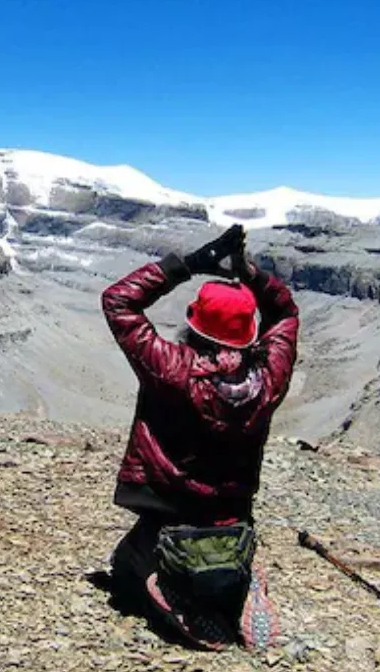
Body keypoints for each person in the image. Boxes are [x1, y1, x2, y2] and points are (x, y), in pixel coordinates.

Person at [100, 224, 299, 650]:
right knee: (219, 540)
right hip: (233, 512)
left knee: (127, 566)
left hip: (170, 506)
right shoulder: (268, 380)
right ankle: (239, 581)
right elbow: (284, 316)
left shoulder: (172, 369)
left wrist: (187, 265)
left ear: (195, 324)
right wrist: (252, 276)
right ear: (249, 333)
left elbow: (118, 301)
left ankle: (174, 588)